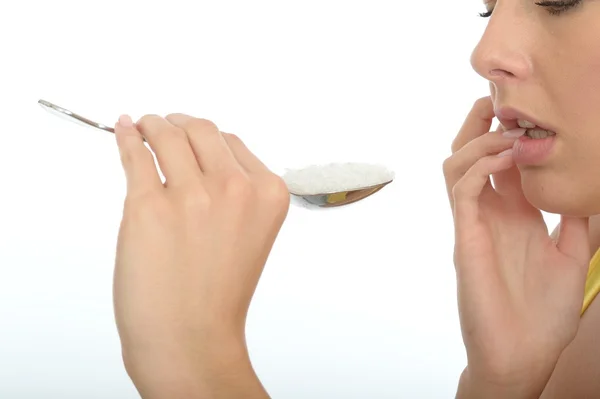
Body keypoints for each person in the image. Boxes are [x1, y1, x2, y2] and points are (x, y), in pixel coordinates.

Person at [109, 1, 600, 398]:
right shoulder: (579, 251)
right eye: (488, 7)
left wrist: (193, 364)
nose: (485, 51)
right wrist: (504, 383)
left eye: (558, 1)